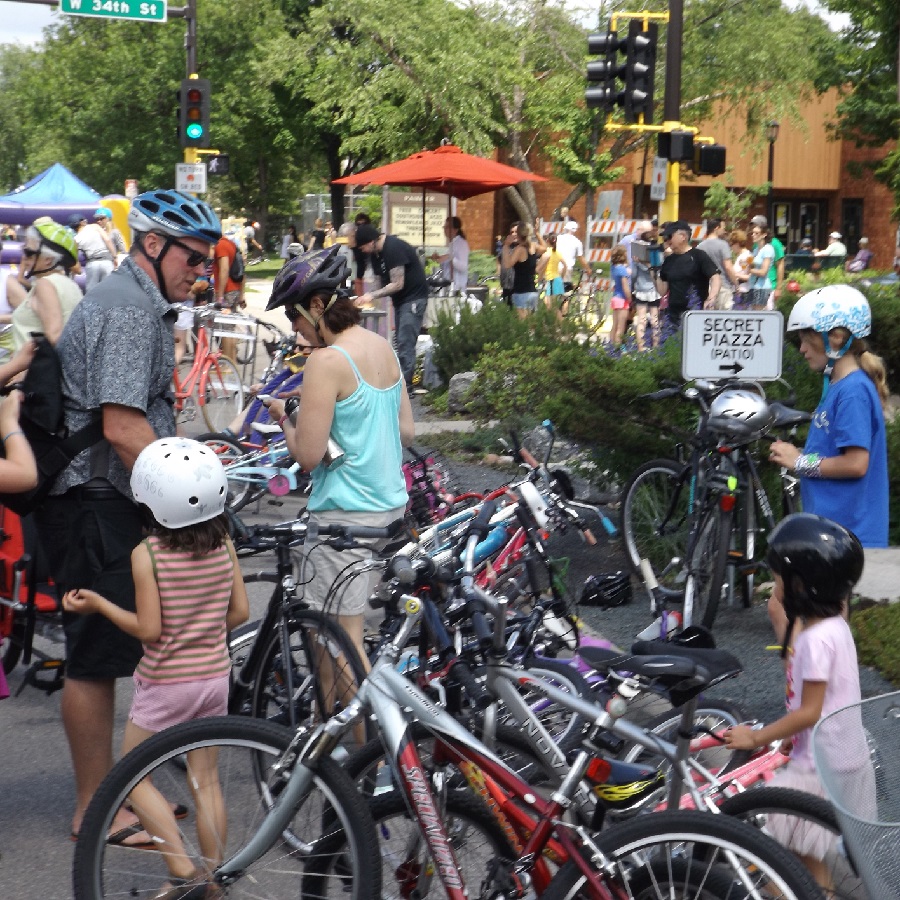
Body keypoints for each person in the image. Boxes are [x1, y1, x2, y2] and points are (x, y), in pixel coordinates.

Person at [34, 188, 221, 840]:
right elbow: (120, 425)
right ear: (152, 244)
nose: (200, 271)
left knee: (117, 648)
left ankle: (125, 791)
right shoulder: (131, 312)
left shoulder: (137, 302)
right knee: (94, 656)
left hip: (102, 497)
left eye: (205, 260)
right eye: (192, 258)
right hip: (94, 500)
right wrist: (194, 493)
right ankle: (97, 809)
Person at [63, 437, 248, 895]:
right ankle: (212, 882)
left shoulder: (147, 556)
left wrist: (101, 606)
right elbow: (240, 613)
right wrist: (202, 627)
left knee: (132, 774)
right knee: (206, 781)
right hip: (213, 678)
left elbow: (149, 630)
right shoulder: (224, 544)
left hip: (166, 683)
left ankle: (182, 868)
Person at [264, 246, 412, 668]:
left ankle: (363, 734)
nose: (295, 329)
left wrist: (283, 418)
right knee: (351, 635)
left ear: (316, 304)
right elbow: (404, 430)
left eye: (294, 316)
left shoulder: (326, 361)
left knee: (336, 647)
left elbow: (309, 456)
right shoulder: (382, 346)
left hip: (343, 519)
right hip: (389, 510)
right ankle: (349, 728)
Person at [725, 513, 874, 890]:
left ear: (801, 585)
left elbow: (809, 711)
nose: (772, 587)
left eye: (776, 579)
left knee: (784, 866)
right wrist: (794, 736)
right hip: (845, 758)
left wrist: (755, 739)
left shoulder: (812, 641)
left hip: (820, 769)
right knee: (812, 865)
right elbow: (826, 703)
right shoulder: (837, 627)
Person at [769, 285, 888, 548]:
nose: (801, 349)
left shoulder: (853, 392)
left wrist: (800, 462)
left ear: (834, 338)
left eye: (805, 339)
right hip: (833, 532)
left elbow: (856, 463)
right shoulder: (838, 387)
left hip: (848, 538)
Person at [355, 223, 429, 393]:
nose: (363, 250)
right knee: (399, 341)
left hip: (413, 298)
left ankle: (406, 386)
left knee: (405, 341)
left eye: (364, 246)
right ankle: (399, 382)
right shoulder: (375, 255)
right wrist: (368, 301)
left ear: (372, 241)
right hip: (400, 301)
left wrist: (372, 296)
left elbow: (397, 283)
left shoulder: (393, 248)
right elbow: (379, 283)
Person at [11, 217, 82, 348]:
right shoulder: (71, 285)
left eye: (28, 252)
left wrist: (16, 365)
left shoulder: (45, 285)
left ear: (48, 260)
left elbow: (55, 336)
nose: (24, 257)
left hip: (33, 367)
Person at [654, 220, 720, 328]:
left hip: (695, 312)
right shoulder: (668, 260)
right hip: (673, 315)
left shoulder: (699, 255)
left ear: (683, 236)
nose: (667, 240)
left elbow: (715, 277)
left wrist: (711, 298)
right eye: (665, 238)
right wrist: (653, 268)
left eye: (670, 236)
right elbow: (662, 291)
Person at [213, 227, 246, 363]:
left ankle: (227, 364)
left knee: (225, 329)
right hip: (234, 289)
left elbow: (224, 269)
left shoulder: (221, 245)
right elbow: (243, 270)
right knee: (229, 328)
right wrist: (242, 294)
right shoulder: (232, 244)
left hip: (226, 291)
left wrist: (220, 295)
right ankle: (231, 362)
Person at [501, 221, 542, 319]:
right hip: (532, 291)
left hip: (521, 292)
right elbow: (545, 248)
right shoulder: (532, 246)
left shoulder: (520, 249)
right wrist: (537, 233)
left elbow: (507, 264)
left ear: (519, 234)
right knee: (531, 325)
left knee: (522, 326)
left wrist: (506, 245)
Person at [631, 223, 661, 351]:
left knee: (641, 320)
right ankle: (656, 346)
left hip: (641, 290)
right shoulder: (657, 255)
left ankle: (641, 347)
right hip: (655, 290)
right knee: (655, 319)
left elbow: (634, 275)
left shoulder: (638, 258)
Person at [696, 218, 737, 310]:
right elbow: (728, 267)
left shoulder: (700, 246)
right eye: (723, 228)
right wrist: (736, 283)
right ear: (716, 228)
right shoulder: (723, 245)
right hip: (723, 286)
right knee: (726, 318)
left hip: (707, 287)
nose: (724, 231)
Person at [72, 211, 117, 289]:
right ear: (83, 222)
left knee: (91, 291)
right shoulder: (94, 227)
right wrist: (115, 257)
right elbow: (107, 240)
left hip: (92, 263)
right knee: (109, 290)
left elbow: (75, 258)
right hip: (106, 261)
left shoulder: (76, 239)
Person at [750, 215, 785, 302]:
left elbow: (780, 264)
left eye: (755, 225)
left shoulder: (774, 243)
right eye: (752, 225)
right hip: (755, 284)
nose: (753, 228)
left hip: (770, 283)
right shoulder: (756, 246)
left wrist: (779, 287)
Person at [431, 216, 469, 293]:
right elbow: (447, 265)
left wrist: (450, 257)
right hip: (448, 286)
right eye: (444, 227)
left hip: (457, 287)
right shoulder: (452, 244)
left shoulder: (461, 243)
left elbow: (463, 267)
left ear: (455, 229)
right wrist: (439, 258)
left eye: (447, 227)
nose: (445, 229)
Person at [747, 222, 776, 310]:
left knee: (758, 314)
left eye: (756, 233)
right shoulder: (756, 250)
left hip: (762, 286)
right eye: (752, 233)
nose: (753, 235)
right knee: (752, 314)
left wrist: (750, 270)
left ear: (764, 235)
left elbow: (764, 272)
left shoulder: (767, 249)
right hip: (753, 285)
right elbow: (753, 265)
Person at [555, 220, 590, 290]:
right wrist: (588, 269)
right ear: (575, 230)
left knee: (554, 289)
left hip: (555, 266)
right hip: (567, 268)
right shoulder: (577, 242)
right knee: (566, 291)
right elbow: (581, 258)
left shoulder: (558, 238)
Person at [608, 245, 632, 346]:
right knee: (621, 327)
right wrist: (630, 299)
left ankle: (611, 345)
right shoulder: (622, 271)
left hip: (615, 298)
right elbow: (625, 287)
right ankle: (618, 348)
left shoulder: (614, 267)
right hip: (622, 299)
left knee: (614, 325)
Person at [538, 233, 567, 314]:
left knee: (551, 307)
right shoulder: (557, 253)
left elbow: (543, 269)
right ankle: (555, 325)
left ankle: (559, 324)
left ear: (547, 241)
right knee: (552, 306)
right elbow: (565, 265)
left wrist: (538, 279)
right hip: (557, 279)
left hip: (551, 280)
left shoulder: (547, 253)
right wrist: (562, 277)